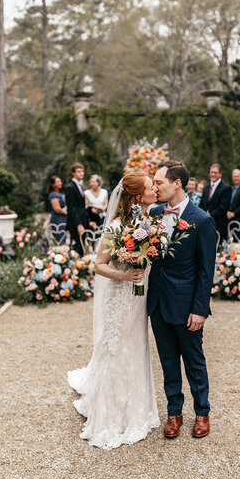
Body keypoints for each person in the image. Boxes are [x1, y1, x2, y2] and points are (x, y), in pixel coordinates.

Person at [67, 171, 160, 449]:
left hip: (139, 298)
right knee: (118, 347)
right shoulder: (117, 226)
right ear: (137, 196)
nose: (155, 189)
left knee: (137, 346)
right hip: (121, 296)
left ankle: (137, 408)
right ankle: (110, 415)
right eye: (150, 187)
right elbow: (99, 264)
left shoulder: (150, 221)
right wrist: (124, 275)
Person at [148, 161, 217, 440]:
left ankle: (202, 412)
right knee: (167, 362)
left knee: (194, 361)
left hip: (187, 305)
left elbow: (206, 271)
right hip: (157, 303)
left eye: (159, 183)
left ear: (177, 183)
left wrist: (199, 310)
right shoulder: (153, 214)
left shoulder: (202, 220)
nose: (155, 187)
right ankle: (174, 413)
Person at [200, 163, 231, 240]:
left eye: (215, 172)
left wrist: (209, 216)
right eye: (212, 172)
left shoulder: (226, 188)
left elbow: (223, 207)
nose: (213, 174)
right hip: (205, 225)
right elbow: (202, 204)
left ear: (220, 174)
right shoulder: (206, 187)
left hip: (219, 225)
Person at [65, 163, 88, 256]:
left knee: (82, 248)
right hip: (75, 223)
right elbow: (71, 208)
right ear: (73, 173)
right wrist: (78, 224)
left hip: (83, 220)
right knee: (76, 249)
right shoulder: (71, 187)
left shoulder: (80, 186)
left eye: (82, 171)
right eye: (78, 171)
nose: (81, 173)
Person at [47, 176, 67, 244]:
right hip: (58, 219)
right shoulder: (53, 195)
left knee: (64, 238)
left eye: (60, 181)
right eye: (57, 182)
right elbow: (57, 209)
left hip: (63, 218)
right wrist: (68, 214)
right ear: (53, 185)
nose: (60, 183)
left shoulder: (60, 194)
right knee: (59, 239)